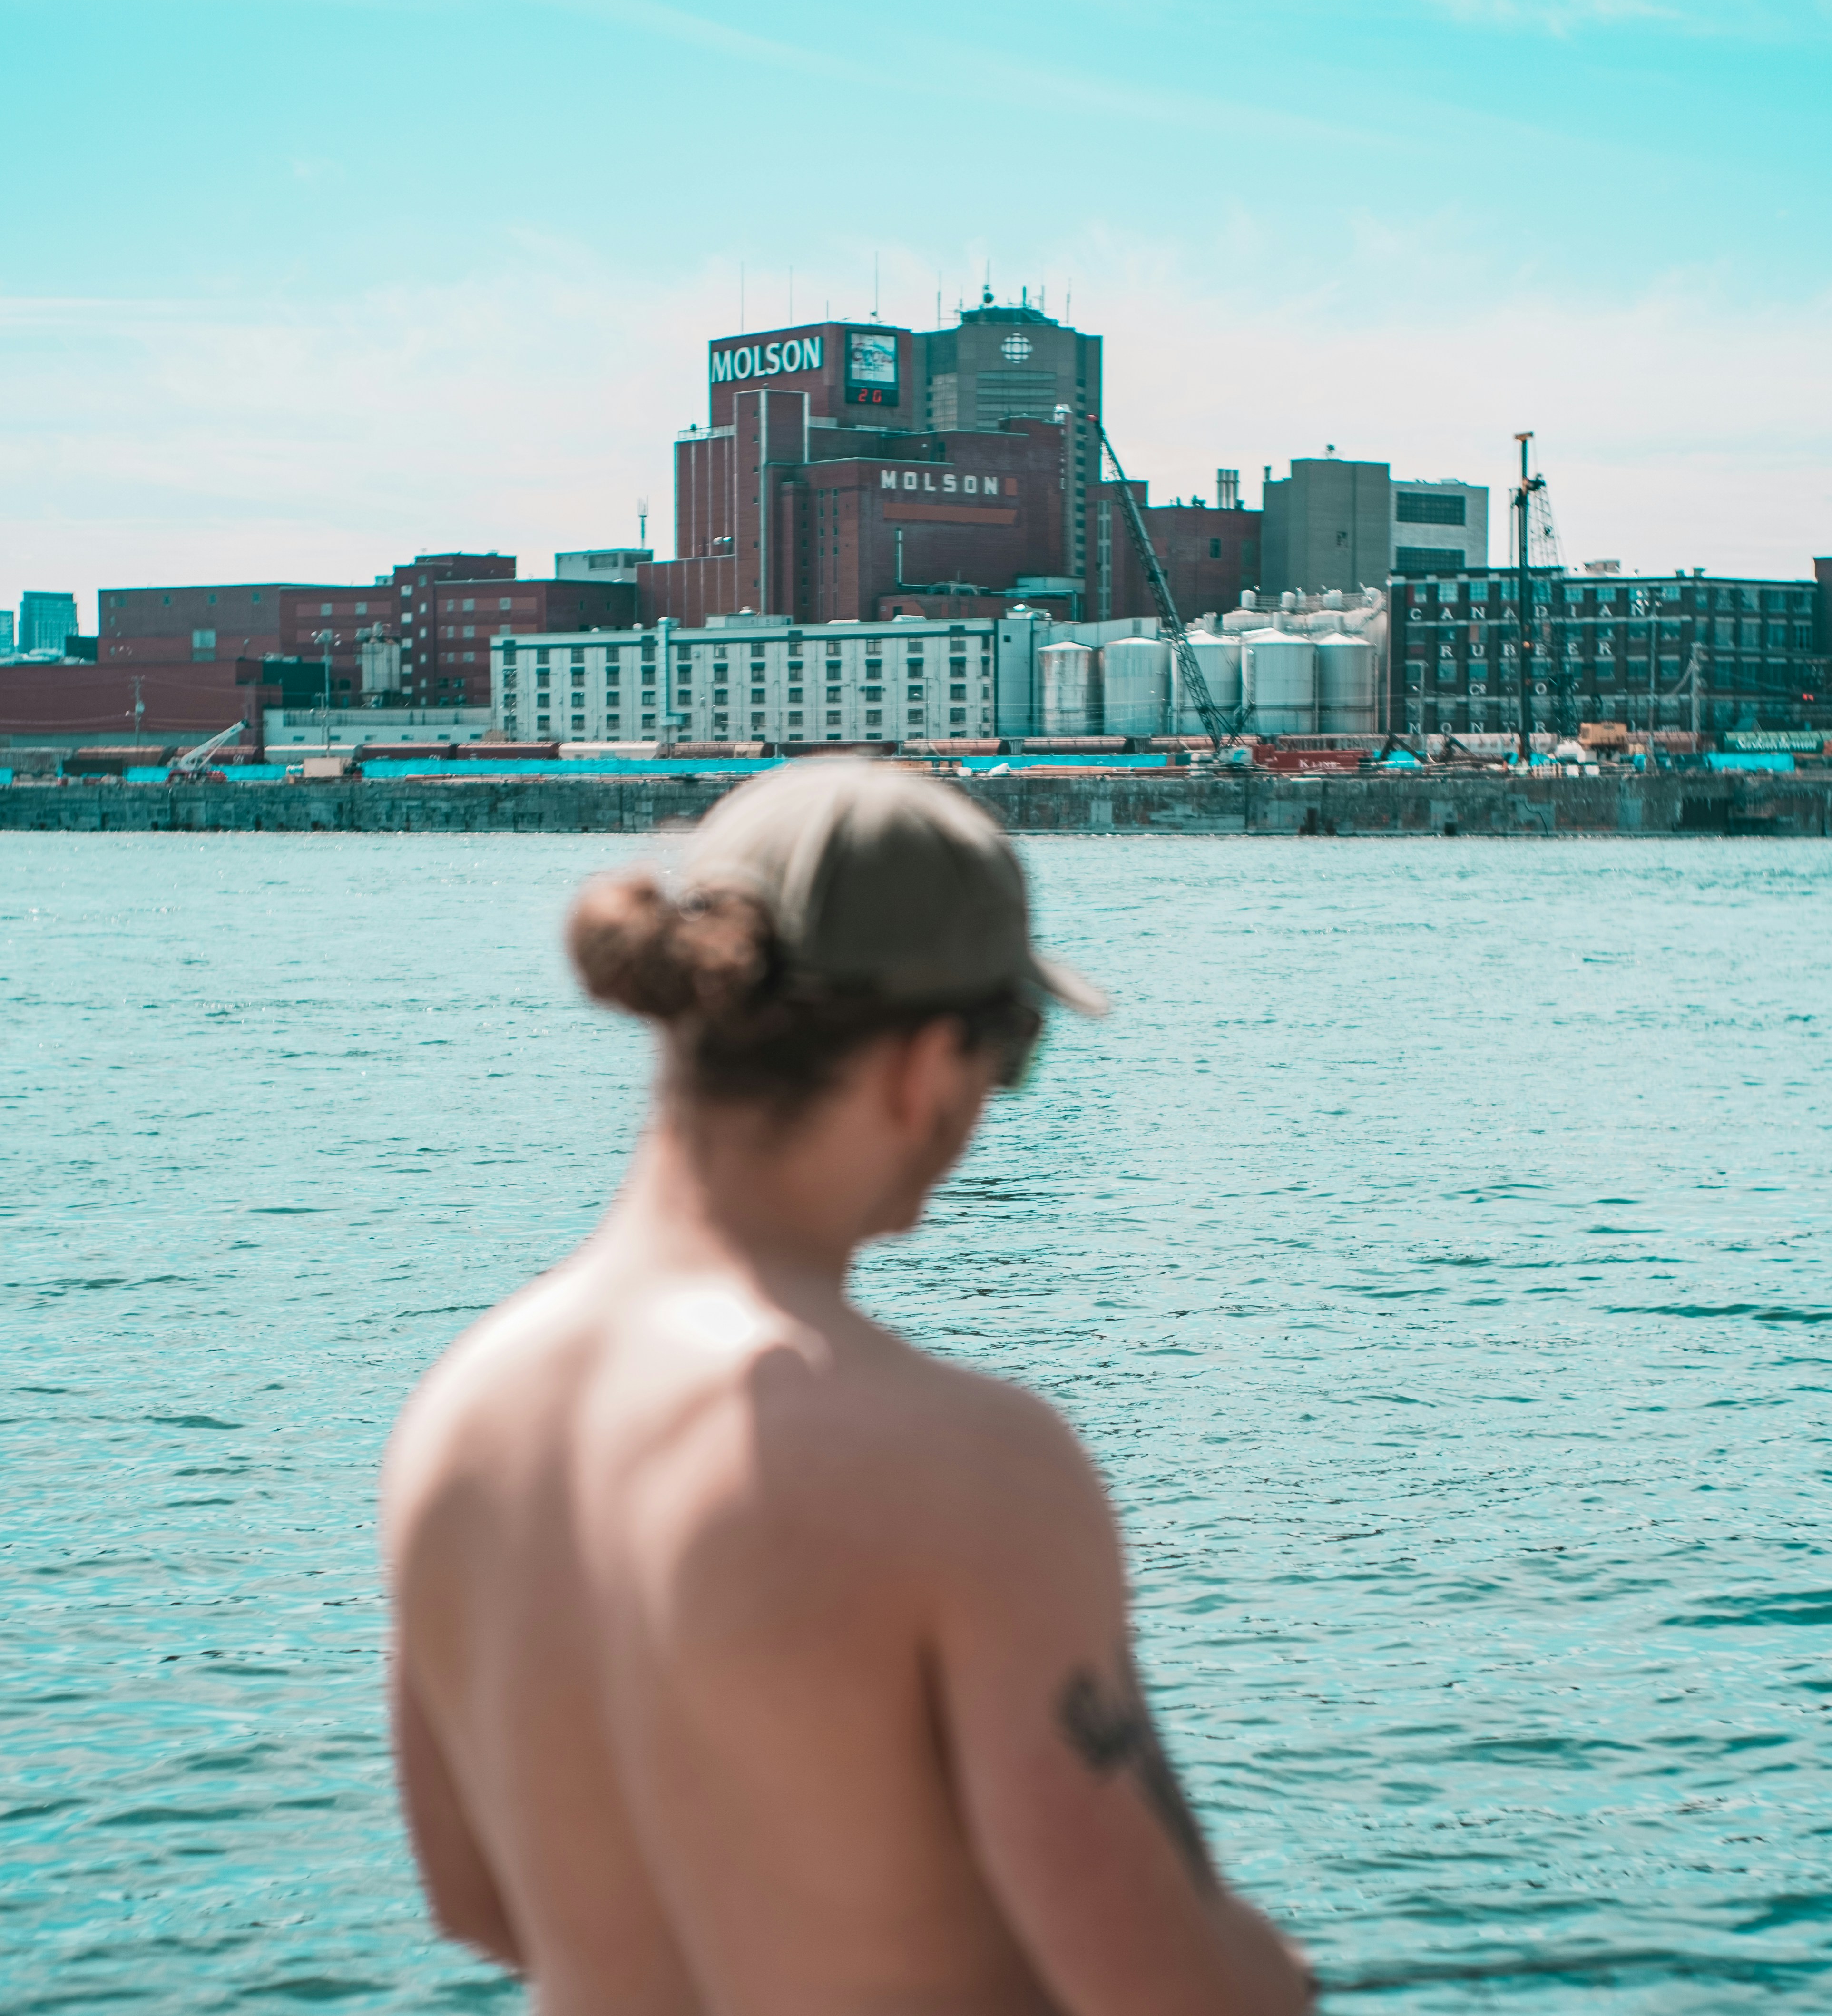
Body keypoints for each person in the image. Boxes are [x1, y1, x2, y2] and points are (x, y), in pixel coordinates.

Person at [382, 760, 1312, 2016]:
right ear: (925, 1066)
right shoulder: (966, 1467)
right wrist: (1260, 1968)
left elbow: (476, 1901)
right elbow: (1166, 1992)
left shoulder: (460, 1416)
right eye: (1012, 1063)